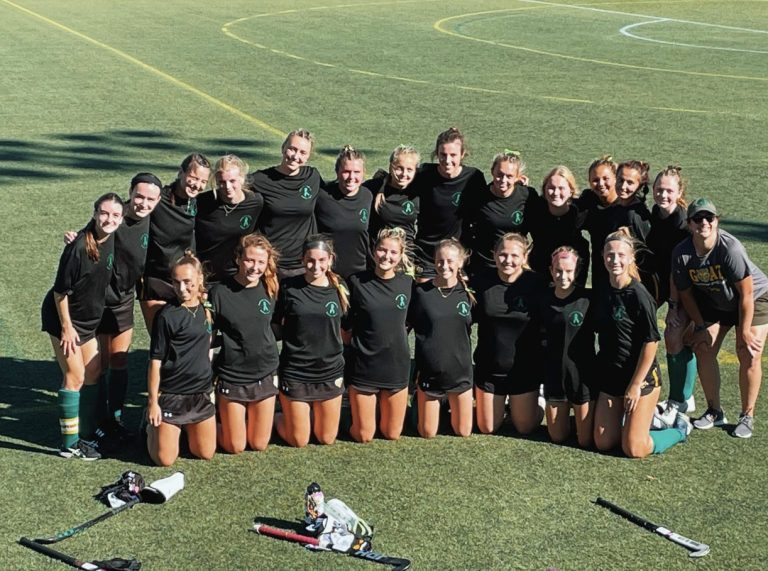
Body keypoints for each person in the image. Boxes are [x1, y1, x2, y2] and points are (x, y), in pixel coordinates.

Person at [672, 198, 768, 438]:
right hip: (718, 301)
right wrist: (701, 326)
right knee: (703, 346)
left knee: (747, 351)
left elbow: (746, 293)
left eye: (709, 218)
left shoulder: (729, 249)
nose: (704, 223)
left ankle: (747, 415)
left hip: (754, 298)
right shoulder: (682, 253)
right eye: (697, 219)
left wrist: (744, 331)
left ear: (716, 221)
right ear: (689, 224)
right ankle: (715, 411)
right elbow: (685, 294)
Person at [593, 228, 690, 458]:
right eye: (609, 254)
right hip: (611, 376)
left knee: (634, 448)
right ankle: (637, 421)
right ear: (602, 256)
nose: (615, 260)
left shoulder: (638, 294)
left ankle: (678, 430)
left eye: (620, 255)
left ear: (630, 258)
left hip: (642, 378)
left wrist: (635, 385)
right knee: (604, 443)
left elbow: (651, 342)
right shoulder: (601, 290)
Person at [42, 193, 124, 460]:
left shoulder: (109, 239)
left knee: (94, 370)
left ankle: (88, 432)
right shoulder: (78, 247)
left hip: (88, 322)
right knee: (75, 376)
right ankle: (68, 444)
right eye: (104, 213)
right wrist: (66, 328)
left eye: (114, 215)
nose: (108, 219)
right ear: (94, 213)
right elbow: (59, 293)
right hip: (64, 319)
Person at [208, 234, 280, 453]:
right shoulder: (219, 292)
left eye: (260, 262)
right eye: (249, 260)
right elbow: (208, 337)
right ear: (238, 258)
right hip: (233, 374)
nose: (254, 267)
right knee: (235, 446)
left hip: (264, 370)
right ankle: (201, 426)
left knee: (258, 444)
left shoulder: (271, 287)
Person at [274, 235, 348, 447]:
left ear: (330, 260)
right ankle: (275, 418)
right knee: (299, 440)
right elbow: (275, 324)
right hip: (297, 371)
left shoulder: (340, 287)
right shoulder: (288, 287)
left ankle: (306, 417)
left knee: (326, 438)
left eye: (321, 260)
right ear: (301, 259)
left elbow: (346, 326)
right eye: (310, 260)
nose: (316, 266)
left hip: (329, 370)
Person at [147, 252, 216, 466]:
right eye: (176, 283)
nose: (182, 289)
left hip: (200, 394)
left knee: (205, 453)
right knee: (164, 460)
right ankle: (150, 429)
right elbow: (155, 361)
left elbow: (209, 346)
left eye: (188, 282)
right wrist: (152, 402)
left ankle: (184, 430)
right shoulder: (167, 315)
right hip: (172, 394)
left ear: (199, 280)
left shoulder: (208, 308)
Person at [472, 233, 545, 435]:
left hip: (524, 369)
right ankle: (500, 403)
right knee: (487, 428)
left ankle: (537, 400)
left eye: (514, 255)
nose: (508, 261)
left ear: (524, 257)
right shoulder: (481, 282)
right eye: (503, 255)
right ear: (494, 255)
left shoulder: (537, 284)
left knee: (524, 427)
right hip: (490, 369)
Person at [346, 228, 413, 442]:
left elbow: (412, 321)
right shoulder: (356, 281)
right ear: (374, 251)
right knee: (364, 435)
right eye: (382, 250)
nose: (386, 256)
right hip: (365, 365)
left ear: (401, 255)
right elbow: (344, 325)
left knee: (392, 434)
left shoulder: (407, 284)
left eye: (393, 252)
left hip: (396, 364)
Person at [646, 166, 697, 424]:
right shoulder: (651, 215)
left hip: (685, 288)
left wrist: (678, 305)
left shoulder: (685, 224)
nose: (663, 195)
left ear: (679, 193)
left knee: (676, 334)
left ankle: (681, 398)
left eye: (669, 190)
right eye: (659, 190)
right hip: (659, 285)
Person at [408, 238, 474, 438]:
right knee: (427, 432)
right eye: (440, 260)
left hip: (460, 372)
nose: (444, 266)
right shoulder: (421, 293)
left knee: (463, 432)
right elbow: (405, 326)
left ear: (460, 262)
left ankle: (450, 404)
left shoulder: (469, 293)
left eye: (450, 261)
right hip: (430, 373)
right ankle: (418, 404)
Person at [140, 153, 211, 332]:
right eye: (193, 178)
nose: (197, 185)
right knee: (160, 338)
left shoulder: (199, 202)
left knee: (188, 334)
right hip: (157, 280)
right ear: (181, 173)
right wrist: (84, 234)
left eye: (203, 181)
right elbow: (126, 211)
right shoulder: (158, 199)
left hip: (187, 280)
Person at [411, 127, 486, 281]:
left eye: (453, 155)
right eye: (443, 155)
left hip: (457, 254)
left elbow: (489, 202)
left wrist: (517, 185)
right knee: (425, 298)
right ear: (436, 154)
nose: (447, 160)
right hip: (427, 253)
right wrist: (381, 186)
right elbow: (398, 180)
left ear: (462, 154)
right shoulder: (424, 174)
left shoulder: (474, 178)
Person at [248, 129, 323, 279]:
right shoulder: (260, 179)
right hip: (270, 264)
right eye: (292, 149)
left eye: (303, 152)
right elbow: (232, 189)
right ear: (283, 148)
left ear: (308, 156)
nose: (296, 156)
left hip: (303, 264)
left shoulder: (312, 176)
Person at [540, 247, 596, 447]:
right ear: (550, 270)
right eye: (558, 271)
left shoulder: (588, 300)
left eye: (568, 271)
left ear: (577, 272)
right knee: (557, 437)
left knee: (585, 440)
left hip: (582, 378)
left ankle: (589, 416)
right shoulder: (544, 299)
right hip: (555, 376)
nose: (562, 276)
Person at [463, 151, 540, 275]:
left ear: (518, 176)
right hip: (484, 266)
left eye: (509, 176)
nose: (503, 180)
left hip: (514, 265)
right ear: (492, 171)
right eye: (499, 174)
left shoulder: (527, 195)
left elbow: (538, 229)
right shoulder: (479, 196)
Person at [195, 154, 263, 284]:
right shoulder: (202, 202)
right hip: (205, 276)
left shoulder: (256, 202)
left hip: (237, 275)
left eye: (232, 181)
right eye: (221, 182)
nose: (227, 187)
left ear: (242, 179)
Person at [315, 146, 373, 280]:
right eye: (346, 171)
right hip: (327, 272)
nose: (351, 177)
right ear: (337, 171)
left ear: (363, 172)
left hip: (360, 274)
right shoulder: (322, 196)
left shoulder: (368, 196)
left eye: (357, 172)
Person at [528, 166, 590, 286]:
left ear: (571, 191)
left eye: (561, 188)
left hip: (571, 272)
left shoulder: (580, 211)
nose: (556, 193)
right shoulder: (536, 209)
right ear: (544, 190)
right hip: (540, 269)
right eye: (551, 188)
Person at [367, 145, 421, 248]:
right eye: (399, 168)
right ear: (391, 167)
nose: (404, 174)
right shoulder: (374, 188)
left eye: (409, 170)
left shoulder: (418, 192)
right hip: (380, 253)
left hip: (407, 254)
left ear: (416, 171)